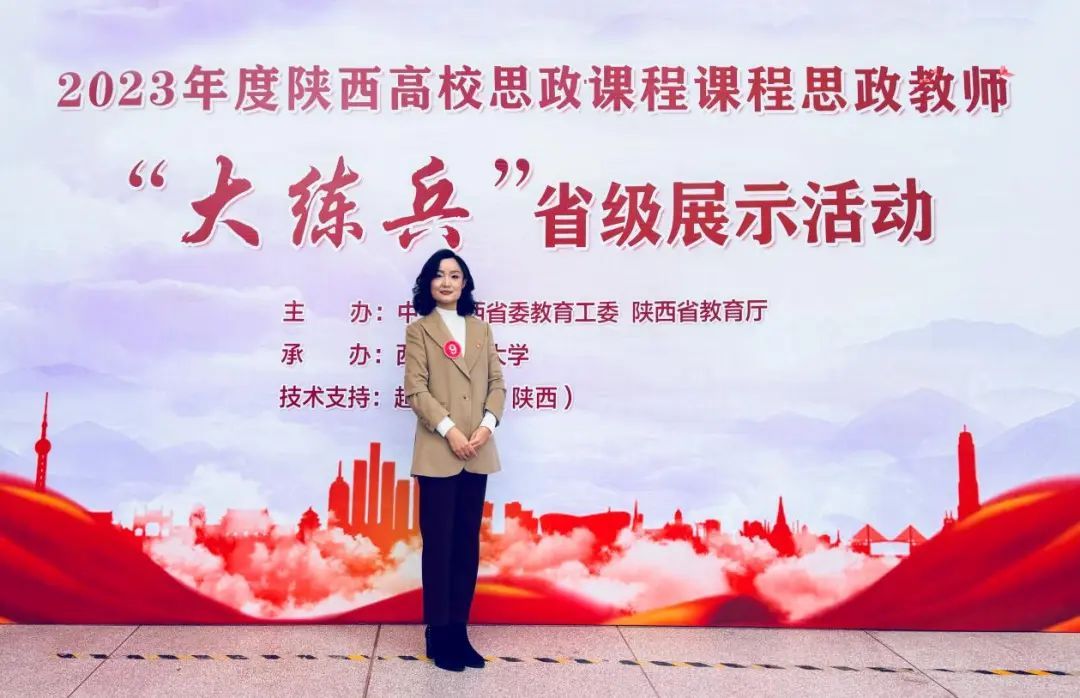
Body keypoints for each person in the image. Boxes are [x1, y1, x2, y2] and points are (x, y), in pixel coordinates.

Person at [403, 249, 506, 672]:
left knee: (466, 546)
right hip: (438, 451)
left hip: (478, 450)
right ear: (428, 284)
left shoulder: (481, 329)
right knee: (439, 546)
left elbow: (498, 384)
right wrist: (451, 431)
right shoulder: (418, 331)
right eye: (439, 275)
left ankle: (459, 633)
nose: (446, 282)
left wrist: (486, 427)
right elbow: (416, 389)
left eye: (455, 275)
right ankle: (440, 632)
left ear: (465, 284)